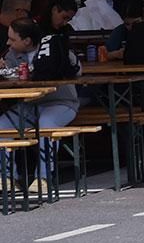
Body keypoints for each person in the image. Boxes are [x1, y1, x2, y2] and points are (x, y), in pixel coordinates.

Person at [2, 17, 83, 194]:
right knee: (1, 126)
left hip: (61, 103)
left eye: (12, 39)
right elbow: (13, 77)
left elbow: (78, 69)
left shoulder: (53, 48)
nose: (8, 42)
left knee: (46, 124)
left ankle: (44, 178)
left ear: (27, 41)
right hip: (30, 105)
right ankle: (7, 178)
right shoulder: (12, 55)